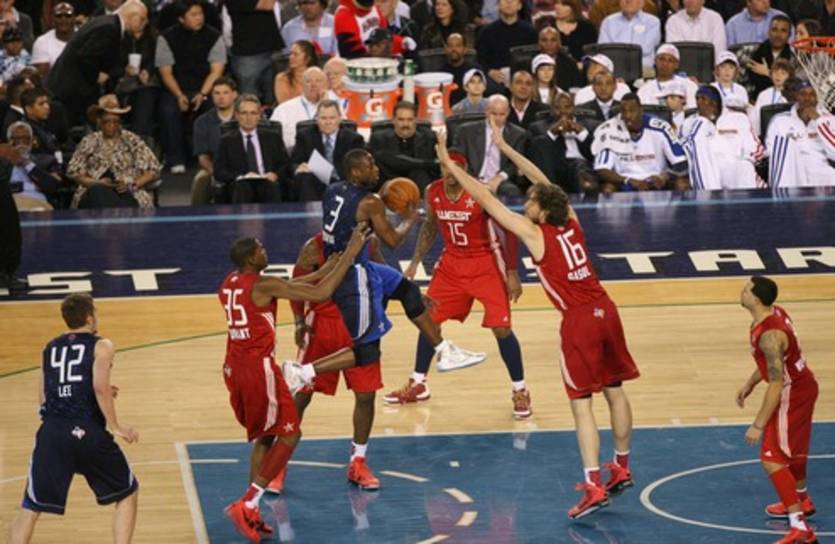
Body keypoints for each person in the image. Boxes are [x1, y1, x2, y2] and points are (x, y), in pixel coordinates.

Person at [436, 120, 640, 519]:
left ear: (542, 211)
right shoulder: (570, 219)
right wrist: (504, 147)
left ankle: (593, 486)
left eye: (531, 202)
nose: (526, 204)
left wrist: (448, 162)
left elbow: (485, 198)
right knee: (615, 391)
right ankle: (622, 466)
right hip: (607, 310)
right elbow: (542, 180)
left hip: (579, 321)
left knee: (582, 405)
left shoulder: (536, 234)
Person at [280, 148, 488, 394]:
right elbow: (392, 240)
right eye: (371, 165)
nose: (377, 169)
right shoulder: (371, 203)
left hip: (357, 263)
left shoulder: (333, 190)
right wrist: (410, 217)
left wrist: (381, 200)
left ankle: (444, 351)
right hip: (353, 274)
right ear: (356, 172)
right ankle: (303, 372)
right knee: (368, 351)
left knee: (408, 290)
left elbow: (355, 212)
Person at [220, 224, 370, 541]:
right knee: (290, 434)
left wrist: (323, 270)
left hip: (234, 367)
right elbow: (320, 294)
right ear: (251, 259)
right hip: (257, 370)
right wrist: (349, 255)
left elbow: (289, 287)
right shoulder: (262, 284)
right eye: (260, 249)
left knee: (266, 436)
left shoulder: (230, 282)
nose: (265, 251)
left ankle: (252, 508)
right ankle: (247, 502)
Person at [383, 149, 530, 417]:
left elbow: (509, 229)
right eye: (444, 167)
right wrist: (415, 261)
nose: (449, 173)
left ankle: (520, 390)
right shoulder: (433, 191)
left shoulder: (480, 192)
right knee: (429, 321)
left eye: (455, 168)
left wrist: (511, 271)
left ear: (465, 170)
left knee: (501, 329)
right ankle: (418, 383)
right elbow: (430, 226)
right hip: (452, 263)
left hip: (485, 262)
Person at [7, 293, 139, 544]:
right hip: (88, 432)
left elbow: (44, 397)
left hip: (53, 434)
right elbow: (99, 387)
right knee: (127, 492)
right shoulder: (102, 345)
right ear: (89, 317)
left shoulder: (49, 347)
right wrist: (116, 426)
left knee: (29, 508)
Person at [289, 233, 386, 490]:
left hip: (361, 326)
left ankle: (358, 462)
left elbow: (383, 278)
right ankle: (277, 463)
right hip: (322, 326)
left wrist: (379, 314)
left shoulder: (369, 243)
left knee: (366, 395)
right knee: (301, 392)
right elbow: (294, 286)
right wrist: (298, 321)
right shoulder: (314, 247)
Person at [736, 276, 819, 544]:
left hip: (791, 394)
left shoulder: (770, 336)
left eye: (746, 290)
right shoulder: (772, 314)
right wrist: (750, 383)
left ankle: (800, 527)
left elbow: (777, 382)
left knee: (772, 458)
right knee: (792, 453)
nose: (741, 292)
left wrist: (757, 424)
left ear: (756, 299)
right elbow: (773, 365)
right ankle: (802, 501)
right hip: (801, 386)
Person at [47, 0, 148, 126]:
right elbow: (86, 55)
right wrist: (97, 75)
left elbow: (100, 57)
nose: (144, 23)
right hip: (70, 89)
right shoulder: (109, 28)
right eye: (143, 19)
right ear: (134, 17)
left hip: (70, 86)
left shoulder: (108, 23)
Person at [155, 0, 226, 174]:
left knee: (216, 106)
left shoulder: (214, 36)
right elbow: (166, 73)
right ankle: (176, 159)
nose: (199, 18)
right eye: (193, 15)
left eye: (200, 14)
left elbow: (216, 71)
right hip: (176, 87)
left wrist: (202, 93)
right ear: (181, 18)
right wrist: (179, 95)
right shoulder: (166, 37)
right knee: (168, 110)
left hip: (205, 86)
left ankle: (213, 158)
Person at [66, 94, 162, 208]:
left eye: (115, 122)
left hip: (128, 191)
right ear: (99, 122)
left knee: (124, 200)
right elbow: (74, 173)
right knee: (98, 193)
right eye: (107, 121)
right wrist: (97, 183)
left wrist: (132, 184)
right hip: (93, 190)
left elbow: (152, 169)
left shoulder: (131, 140)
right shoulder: (89, 141)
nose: (111, 125)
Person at [592, 93, 688, 192]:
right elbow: (601, 170)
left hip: (656, 182)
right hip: (625, 183)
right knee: (607, 188)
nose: (628, 116)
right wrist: (628, 180)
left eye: (632, 111)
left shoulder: (660, 127)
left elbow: (681, 163)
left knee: (682, 184)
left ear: (641, 110)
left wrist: (664, 177)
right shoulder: (609, 130)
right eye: (624, 111)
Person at [681, 85, 763, 190]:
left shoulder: (738, 118)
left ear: (714, 102)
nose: (699, 102)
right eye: (697, 98)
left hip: (733, 166)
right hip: (707, 167)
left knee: (745, 166)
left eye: (703, 98)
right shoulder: (688, 123)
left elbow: (754, 147)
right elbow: (685, 148)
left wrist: (747, 160)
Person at [215, 94, 290, 203]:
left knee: (270, 187)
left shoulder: (273, 137)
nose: (248, 118)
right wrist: (239, 177)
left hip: (267, 183)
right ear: (237, 115)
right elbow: (219, 171)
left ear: (259, 116)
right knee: (243, 188)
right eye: (244, 113)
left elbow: (285, 165)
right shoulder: (226, 141)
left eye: (253, 113)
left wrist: (275, 175)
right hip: (240, 185)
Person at [451, 95, 527, 196]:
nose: (498, 118)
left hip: (499, 181)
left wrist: (500, 177)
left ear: (508, 112)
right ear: (486, 111)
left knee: (512, 191)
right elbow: (459, 159)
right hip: (471, 178)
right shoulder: (466, 131)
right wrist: (473, 180)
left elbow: (516, 163)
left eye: (502, 114)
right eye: (494, 114)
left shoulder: (518, 134)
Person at [290, 99, 364, 201]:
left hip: (342, 183)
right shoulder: (305, 136)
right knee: (305, 177)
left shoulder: (353, 139)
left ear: (339, 119)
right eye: (323, 118)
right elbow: (293, 163)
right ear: (316, 119)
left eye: (332, 118)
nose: (328, 122)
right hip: (314, 183)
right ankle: (312, 210)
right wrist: (298, 168)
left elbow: (358, 169)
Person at [766, 81, 835, 188]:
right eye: (803, 94)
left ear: (817, 98)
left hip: (819, 168)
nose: (807, 98)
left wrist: (819, 121)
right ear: (796, 97)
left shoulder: (829, 120)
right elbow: (772, 152)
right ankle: (779, 198)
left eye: (812, 94)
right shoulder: (779, 120)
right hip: (791, 170)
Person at [528, 92, 596, 193]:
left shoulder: (590, 125)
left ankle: (584, 195)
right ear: (551, 110)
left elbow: (596, 150)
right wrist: (553, 132)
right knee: (540, 141)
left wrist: (581, 132)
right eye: (557, 108)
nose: (563, 111)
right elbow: (537, 150)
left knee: (580, 166)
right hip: (554, 167)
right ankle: (550, 193)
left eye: (567, 107)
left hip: (580, 166)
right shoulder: (538, 127)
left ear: (574, 108)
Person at [367, 101, 438, 193]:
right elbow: (392, 162)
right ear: (393, 120)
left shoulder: (429, 138)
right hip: (390, 187)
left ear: (416, 120)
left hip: (420, 186)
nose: (405, 124)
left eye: (410, 120)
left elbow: (434, 170)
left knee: (418, 173)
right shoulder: (379, 139)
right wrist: (427, 163)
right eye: (401, 120)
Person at [191, 76, 238, 205]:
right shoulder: (202, 122)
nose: (221, 97)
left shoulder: (245, 117)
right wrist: (217, 173)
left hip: (243, 167)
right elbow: (203, 157)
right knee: (201, 179)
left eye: (225, 93)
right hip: (214, 168)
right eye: (217, 93)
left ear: (234, 95)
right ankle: (197, 214)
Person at [475, 0, 538, 89]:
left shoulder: (530, 32)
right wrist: (489, 71)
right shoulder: (486, 32)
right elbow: (480, 60)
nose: (509, 2)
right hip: (495, 81)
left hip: (523, 80)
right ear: (498, 5)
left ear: (519, 6)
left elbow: (534, 59)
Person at [270, 66, 327, 152]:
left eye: (318, 81)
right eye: (308, 81)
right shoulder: (284, 109)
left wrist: (325, 105)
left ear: (325, 85)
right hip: (294, 154)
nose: (313, 85)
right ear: (302, 85)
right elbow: (272, 138)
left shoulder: (335, 107)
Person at [598, 0, 661, 72]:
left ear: (641, 2)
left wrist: (618, 50)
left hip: (642, 68)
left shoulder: (653, 22)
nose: (628, 1)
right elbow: (604, 50)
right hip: (613, 68)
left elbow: (645, 49)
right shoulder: (608, 22)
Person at [636, 44, 698, 109]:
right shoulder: (644, 89)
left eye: (670, 60)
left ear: (677, 65)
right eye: (662, 59)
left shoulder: (689, 85)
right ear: (655, 61)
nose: (665, 64)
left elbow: (693, 111)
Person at [747, 14, 793, 100]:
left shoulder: (794, 57)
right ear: (768, 32)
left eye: (783, 31)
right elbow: (750, 82)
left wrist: (768, 73)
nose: (778, 35)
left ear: (789, 35)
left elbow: (793, 85)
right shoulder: (754, 53)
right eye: (774, 30)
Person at [30, 2, 75, 78]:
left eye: (68, 16)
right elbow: (42, 77)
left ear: (74, 18)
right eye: (59, 16)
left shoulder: (84, 38)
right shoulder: (42, 42)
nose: (63, 19)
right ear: (53, 19)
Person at [749, 57, 791, 137]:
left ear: (789, 76)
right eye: (775, 72)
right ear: (771, 74)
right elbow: (756, 118)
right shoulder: (763, 94)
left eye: (783, 73)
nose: (778, 76)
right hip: (765, 134)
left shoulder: (792, 95)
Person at [725, 0, 790, 48]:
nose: (765, 1)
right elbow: (730, 55)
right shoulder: (733, 25)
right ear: (748, 2)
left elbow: (791, 49)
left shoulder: (783, 19)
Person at [273, 40, 319, 106]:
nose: (291, 57)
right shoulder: (282, 78)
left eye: (296, 54)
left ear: (308, 59)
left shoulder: (319, 77)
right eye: (290, 54)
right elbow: (284, 105)